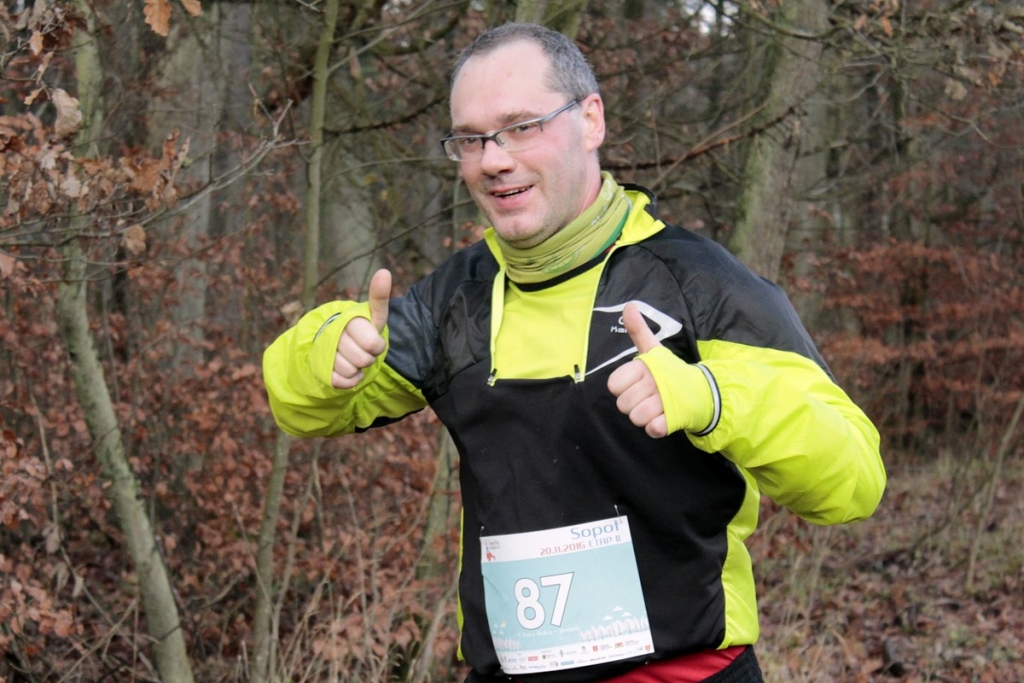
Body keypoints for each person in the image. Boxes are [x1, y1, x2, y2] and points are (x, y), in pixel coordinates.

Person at [263, 22, 886, 683]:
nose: (493, 159)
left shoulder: (698, 283)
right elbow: (303, 408)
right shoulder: (457, 299)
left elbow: (852, 479)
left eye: (521, 127)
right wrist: (325, 348)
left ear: (591, 120)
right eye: (471, 139)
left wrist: (713, 399)